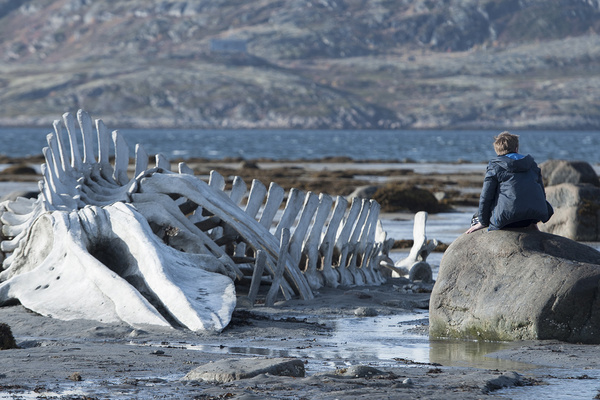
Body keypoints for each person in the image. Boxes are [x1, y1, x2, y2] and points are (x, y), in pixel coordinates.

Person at [466, 131, 553, 234]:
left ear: (497, 151)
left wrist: (483, 222)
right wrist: (534, 221)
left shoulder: (495, 166)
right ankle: (532, 225)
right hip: (532, 218)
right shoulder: (532, 164)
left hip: (507, 220)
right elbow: (541, 193)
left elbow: (486, 197)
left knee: (476, 217)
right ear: (516, 149)